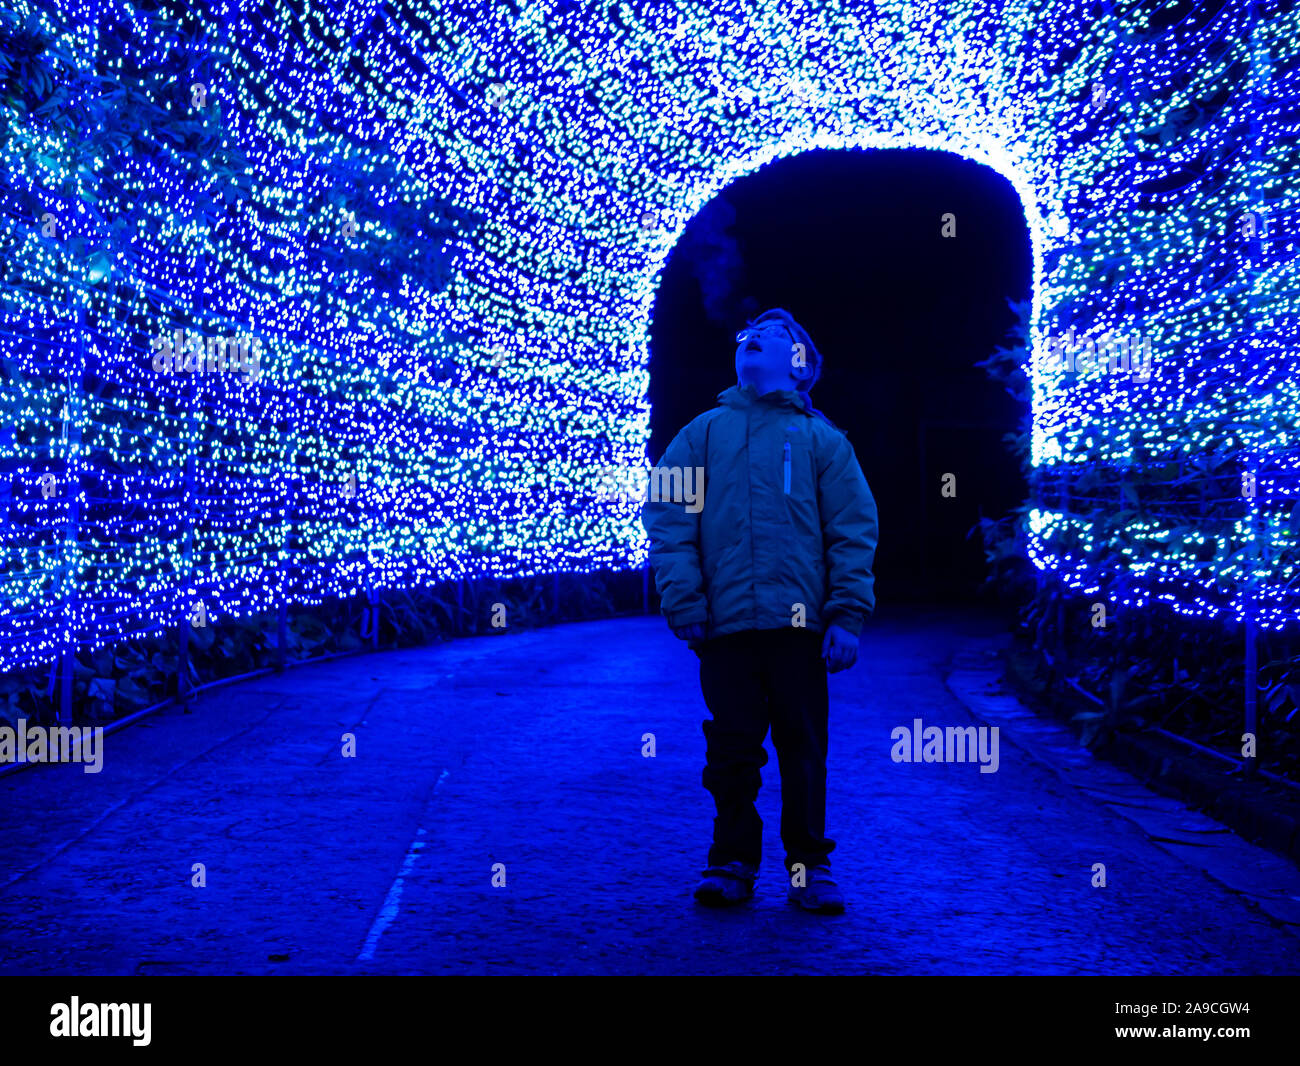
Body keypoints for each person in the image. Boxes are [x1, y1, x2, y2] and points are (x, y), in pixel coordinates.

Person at [642, 307, 879, 913]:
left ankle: (809, 868)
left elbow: (852, 531)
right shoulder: (700, 434)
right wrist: (684, 599)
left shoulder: (825, 442)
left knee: (803, 747)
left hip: (800, 631)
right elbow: (669, 520)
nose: (751, 343)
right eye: (746, 338)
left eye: (771, 339)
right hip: (724, 628)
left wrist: (846, 616)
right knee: (731, 748)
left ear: (801, 363)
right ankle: (731, 861)